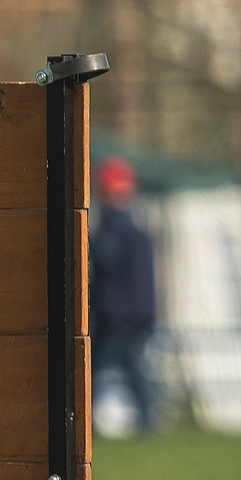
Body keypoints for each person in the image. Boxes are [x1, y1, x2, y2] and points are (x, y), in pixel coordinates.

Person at [89, 155, 161, 434]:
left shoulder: (116, 231)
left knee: (93, 371)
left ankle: (87, 426)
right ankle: (146, 425)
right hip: (135, 316)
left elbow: (103, 261)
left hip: (117, 317)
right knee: (132, 372)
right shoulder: (136, 232)